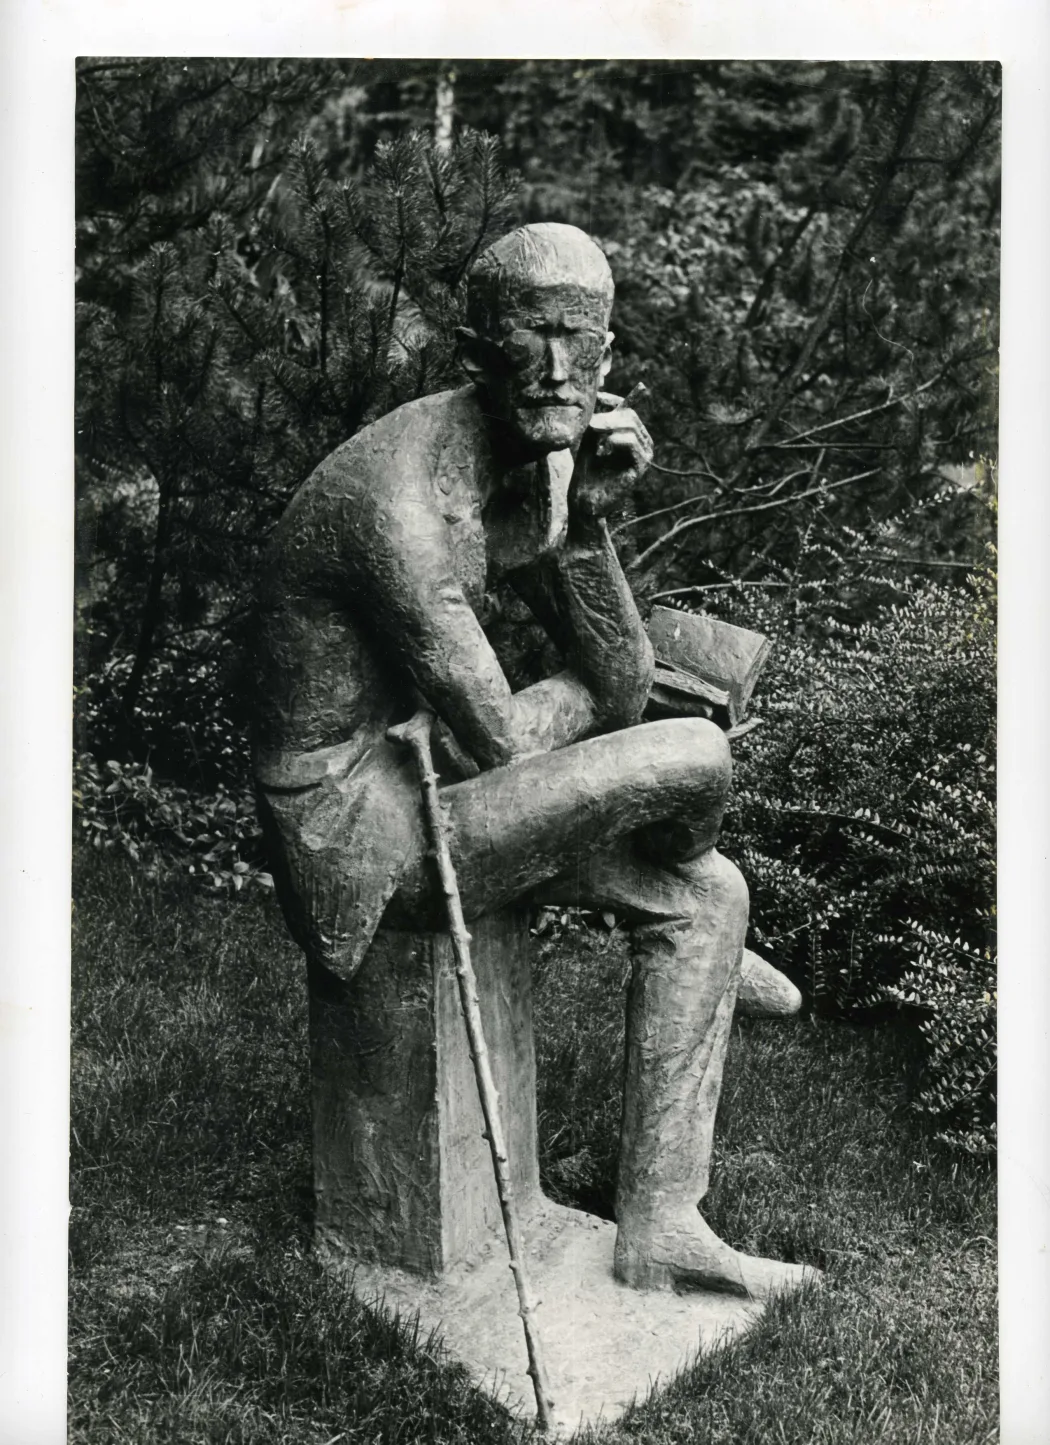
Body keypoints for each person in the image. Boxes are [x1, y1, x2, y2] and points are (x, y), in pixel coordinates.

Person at [253, 222, 817, 1299]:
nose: (560, 372)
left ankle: (660, 1222)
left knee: (707, 894)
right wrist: (627, 747)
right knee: (696, 748)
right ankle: (668, 834)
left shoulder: (537, 460)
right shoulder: (398, 506)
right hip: (358, 829)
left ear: (609, 353)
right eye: (532, 338)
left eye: (584, 343)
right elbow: (510, 739)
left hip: (439, 774)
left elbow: (615, 674)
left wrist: (589, 527)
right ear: (475, 348)